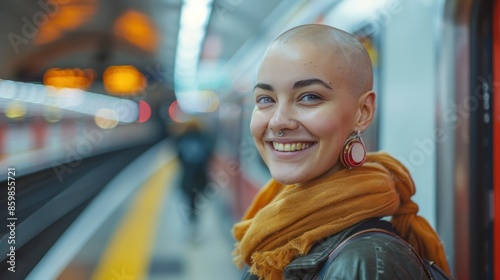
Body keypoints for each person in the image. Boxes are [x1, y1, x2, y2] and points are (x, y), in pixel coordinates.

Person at [231, 24, 451, 279]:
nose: (278, 121)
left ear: (363, 112)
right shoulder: (278, 219)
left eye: (309, 97)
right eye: (265, 99)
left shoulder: (364, 264)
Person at [175, 119, 213, 225]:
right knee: (199, 199)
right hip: (201, 176)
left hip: (187, 177)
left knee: (189, 199)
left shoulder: (182, 139)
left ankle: (191, 216)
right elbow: (209, 154)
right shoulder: (204, 138)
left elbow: (179, 157)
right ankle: (196, 216)